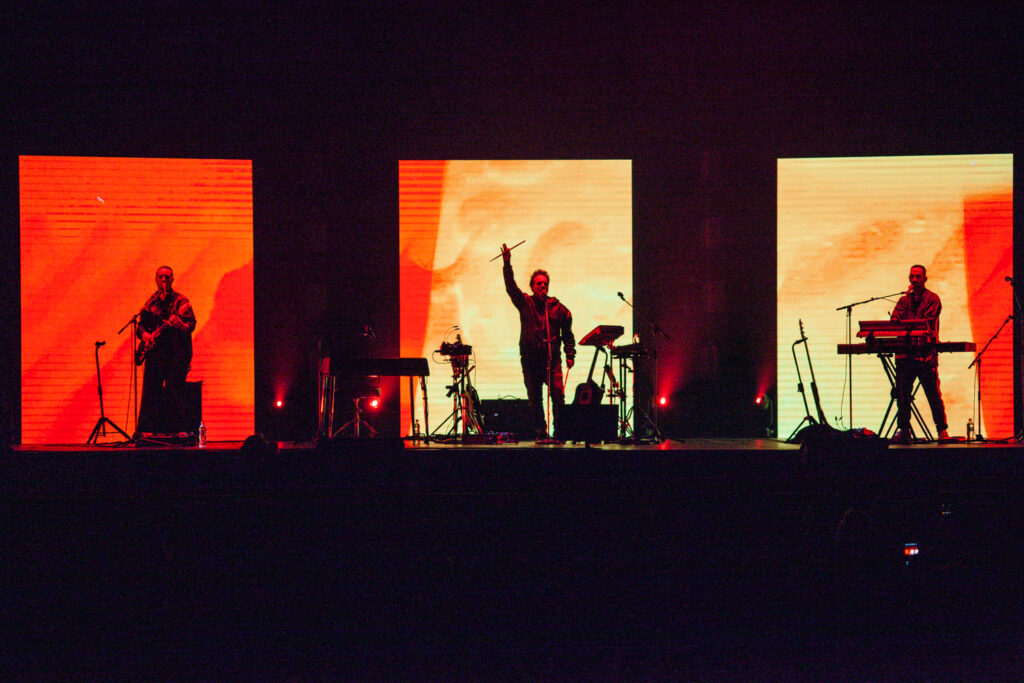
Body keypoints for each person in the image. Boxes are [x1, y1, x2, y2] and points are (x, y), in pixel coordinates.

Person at [501, 243, 576, 440]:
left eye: (545, 284)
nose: (543, 286)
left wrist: (570, 354)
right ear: (532, 287)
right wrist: (507, 263)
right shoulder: (525, 302)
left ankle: (559, 432)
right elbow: (511, 287)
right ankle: (541, 432)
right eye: (539, 284)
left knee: (558, 396)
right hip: (531, 360)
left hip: (552, 360)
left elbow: (568, 332)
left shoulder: (557, 307)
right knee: (535, 399)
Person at [890, 264, 949, 442]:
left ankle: (942, 430)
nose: (915, 280)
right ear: (909, 278)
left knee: (933, 395)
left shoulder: (932, 298)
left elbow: (926, 322)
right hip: (905, 356)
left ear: (925, 279)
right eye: (912, 276)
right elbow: (894, 321)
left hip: (925, 355)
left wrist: (907, 324)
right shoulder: (903, 301)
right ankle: (904, 430)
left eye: (918, 276)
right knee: (902, 395)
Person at [136, 266, 197, 436]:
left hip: (176, 354)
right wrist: (145, 335)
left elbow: (190, 324)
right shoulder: (152, 302)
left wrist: (181, 325)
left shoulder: (181, 301)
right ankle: (147, 429)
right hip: (155, 354)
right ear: (156, 279)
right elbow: (140, 326)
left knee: (175, 389)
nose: (164, 280)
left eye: (167, 277)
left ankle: (178, 429)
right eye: (161, 277)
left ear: (172, 279)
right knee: (151, 390)